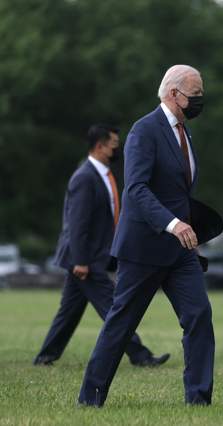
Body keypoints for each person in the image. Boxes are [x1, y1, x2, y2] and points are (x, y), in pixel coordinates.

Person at [78, 65, 221, 407]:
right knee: (121, 325)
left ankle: (199, 399)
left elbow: (178, 191)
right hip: (144, 247)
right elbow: (137, 189)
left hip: (180, 252)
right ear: (174, 94)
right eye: (195, 94)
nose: (199, 100)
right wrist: (173, 223)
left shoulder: (184, 133)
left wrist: (189, 229)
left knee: (199, 316)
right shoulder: (144, 130)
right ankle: (90, 398)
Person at [33, 124, 169, 368]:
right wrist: (81, 260)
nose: (117, 150)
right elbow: (77, 224)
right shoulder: (85, 177)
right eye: (113, 145)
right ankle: (141, 356)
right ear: (99, 146)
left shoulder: (103, 175)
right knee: (115, 309)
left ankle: (45, 357)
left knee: (69, 311)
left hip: (90, 257)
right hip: (86, 259)